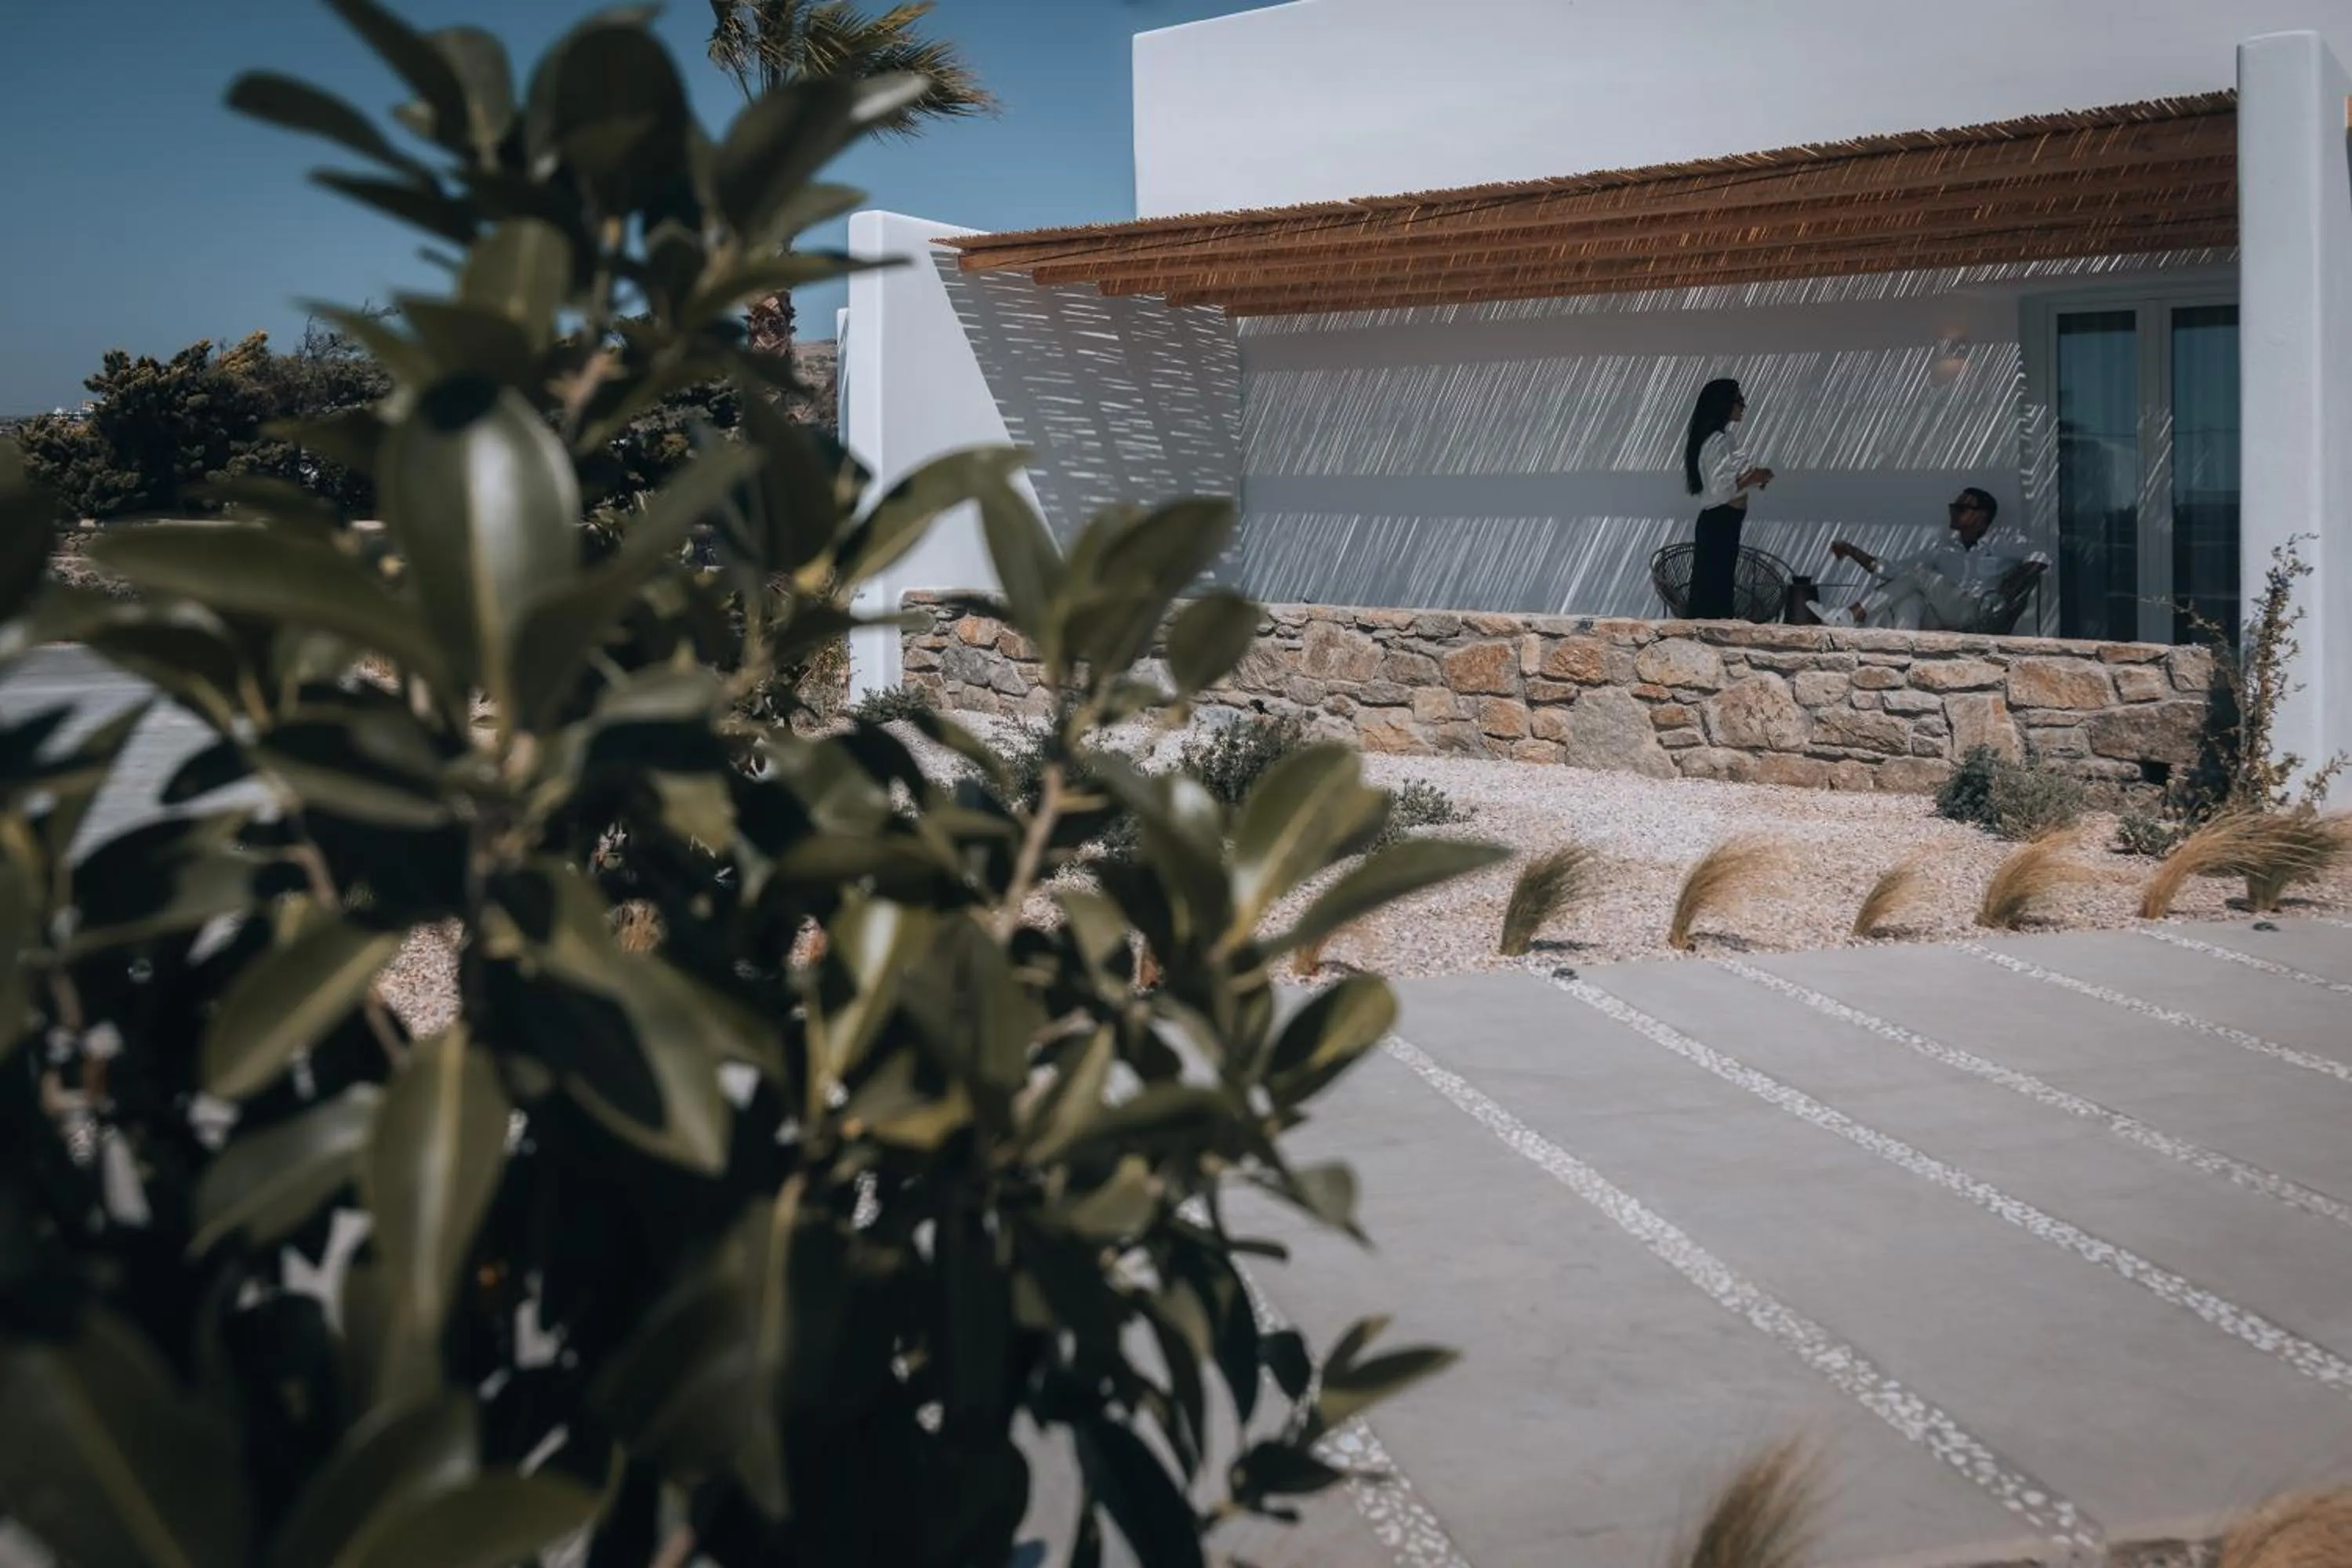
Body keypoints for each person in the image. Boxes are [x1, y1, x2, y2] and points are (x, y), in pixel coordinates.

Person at [1831, 488, 2045, 631]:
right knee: (1910, 599)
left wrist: (2016, 583)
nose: (1953, 512)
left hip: (1979, 612)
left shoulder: (2002, 544)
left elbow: (2042, 555)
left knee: (1919, 574)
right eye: (1953, 508)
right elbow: (1894, 572)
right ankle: (1903, 656)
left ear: (1981, 517)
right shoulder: (1943, 549)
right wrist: (1852, 551)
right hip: (1948, 614)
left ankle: (1851, 614)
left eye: (1961, 509)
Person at [1681, 378, 1774, 619]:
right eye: (1739, 401)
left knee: (1720, 585)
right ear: (1724, 404)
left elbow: (1736, 479)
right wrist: (1754, 478)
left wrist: (1755, 479)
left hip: (1727, 521)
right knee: (1712, 590)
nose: (1743, 406)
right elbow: (1722, 490)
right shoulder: (1717, 442)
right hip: (1719, 521)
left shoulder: (1726, 439)